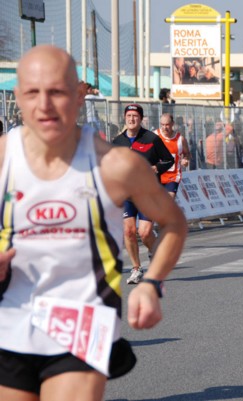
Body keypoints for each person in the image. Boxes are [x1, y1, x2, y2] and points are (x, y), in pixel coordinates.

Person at [0, 45, 187, 401]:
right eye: (32, 93)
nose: (44, 105)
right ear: (17, 98)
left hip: (84, 319)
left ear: (79, 94)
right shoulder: (3, 159)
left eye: (56, 91)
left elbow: (174, 223)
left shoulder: (115, 165)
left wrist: (151, 283)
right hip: (10, 319)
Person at [112, 104, 175, 285]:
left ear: (141, 119)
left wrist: (156, 167)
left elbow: (168, 160)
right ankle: (136, 268)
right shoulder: (117, 142)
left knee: (145, 232)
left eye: (135, 116)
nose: (132, 119)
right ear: (125, 118)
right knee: (129, 231)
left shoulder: (151, 139)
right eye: (129, 116)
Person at [156, 113, 191, 197]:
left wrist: (185, 160)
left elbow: (187, 153)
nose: (165, 127)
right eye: (162, 125)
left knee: (169, 200)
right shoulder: (155, 136)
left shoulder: (180, 139)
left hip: (172, 176)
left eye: (167, 125)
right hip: (156, 176)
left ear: (172, 124)